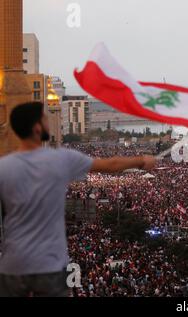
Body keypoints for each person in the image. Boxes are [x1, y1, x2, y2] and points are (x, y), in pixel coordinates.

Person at [0, 102, 156, 297]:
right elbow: (111, 164)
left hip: (12, 265)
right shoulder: (61, 159)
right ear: (37, 128)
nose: (49, 122)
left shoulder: (4, 167)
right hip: (50, 264)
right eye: (45, 118)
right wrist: (141, 161)